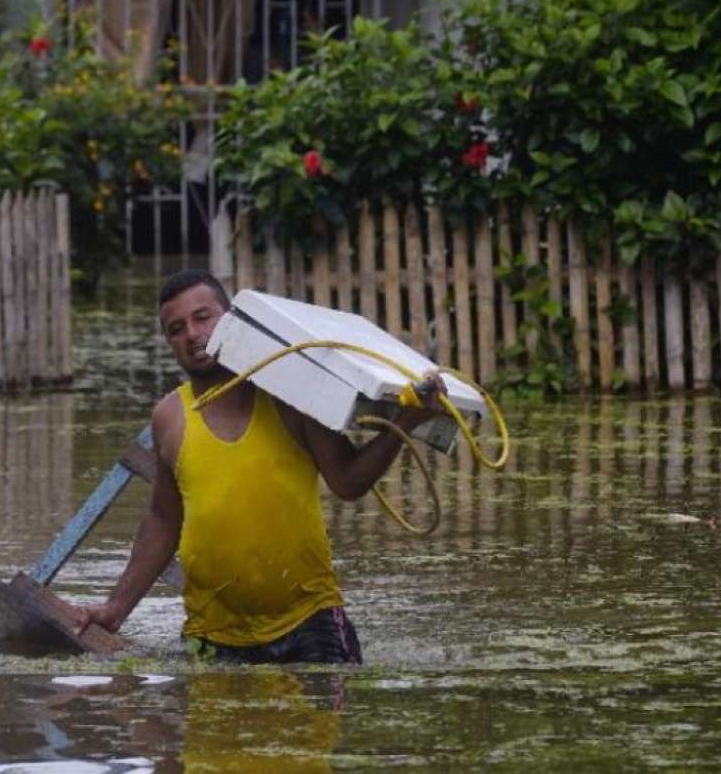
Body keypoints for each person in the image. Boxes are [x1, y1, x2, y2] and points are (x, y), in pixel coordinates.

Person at [74, 269, 446, 663]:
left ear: (232, 318)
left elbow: (348, 481)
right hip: (212, 633)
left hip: (309, 623)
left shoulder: (290, 395)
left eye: (203, 317)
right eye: (176, 329)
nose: (193, 335)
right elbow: (164, 520)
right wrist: (115, 609)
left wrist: (405, 423)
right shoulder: (169, 417)